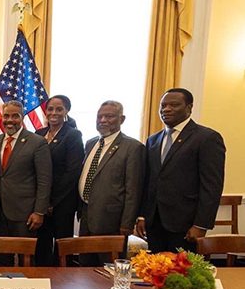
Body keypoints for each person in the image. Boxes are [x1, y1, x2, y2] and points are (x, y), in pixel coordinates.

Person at [136, 88, 225, 253]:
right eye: (163, 105)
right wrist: (142, 216)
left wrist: (201, 225)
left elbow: (211, 186)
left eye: (174, 105)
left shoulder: (207, 138)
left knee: (182, 275)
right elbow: (148, 180)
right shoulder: (153, 140)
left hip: (185, 225)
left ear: (189, 108)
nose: (166, 109)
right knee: (154, 272)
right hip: (154, 223)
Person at [77, 101, 145, 265]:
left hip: (112, 221)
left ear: (122, 119)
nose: (103, 120)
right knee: (85, 267)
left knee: (107, 268)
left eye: (109, 116)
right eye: (100, 116)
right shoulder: (91, 143)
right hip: (86, 215)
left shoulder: (132, 147)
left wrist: (127, 223)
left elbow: (133, 189)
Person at [0, 100, 52, 265]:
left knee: (26, 259)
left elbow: (44, 180)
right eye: (6, 116)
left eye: (15, 116)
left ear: (22, 117)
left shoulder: (37, 142)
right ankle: (2, 287)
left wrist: (39, 211)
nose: (10, 120)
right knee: (2, 257)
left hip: (25, 212)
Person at [34, 95, 84, 265]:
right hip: (41, 203)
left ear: (66, 111)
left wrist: (52, 201)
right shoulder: (39, 133)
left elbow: (72, 172)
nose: (53, 113)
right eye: (50, 109)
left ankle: (62, 284)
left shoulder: (73, 135)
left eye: (59, 109)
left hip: (63, 202)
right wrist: (43, 201)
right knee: (41, 245)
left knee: (62, 247)